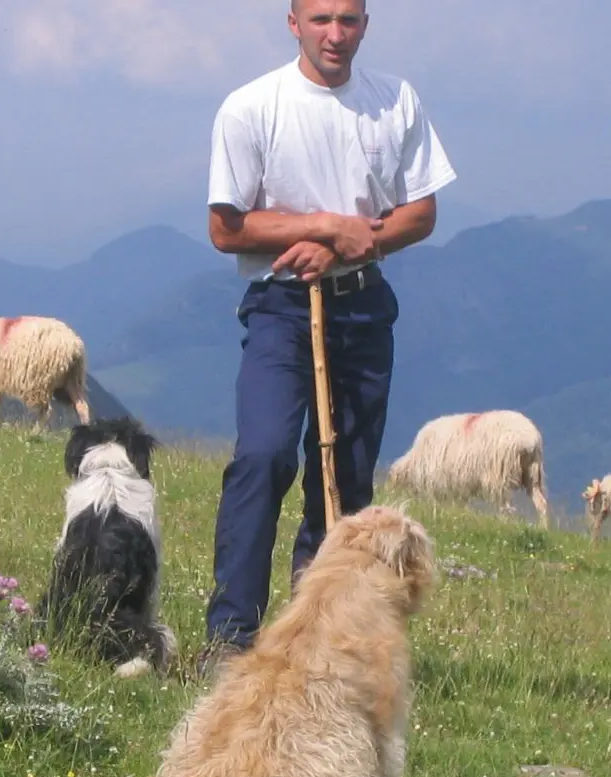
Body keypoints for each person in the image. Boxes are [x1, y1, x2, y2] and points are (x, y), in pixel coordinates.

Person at [198, 0, 457, 677]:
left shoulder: (394, 101)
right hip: (280, 306)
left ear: (365, 25)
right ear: (293, 24)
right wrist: (321, 227)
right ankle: (231, 636)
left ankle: (317, 635)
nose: (334, 34)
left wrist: (347, 247)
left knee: (344, 475)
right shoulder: (252, 107)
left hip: (364, 304)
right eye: (320, 20)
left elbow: (423, 210)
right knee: (261, 455)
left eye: (348, 20)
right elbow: (227, 228)